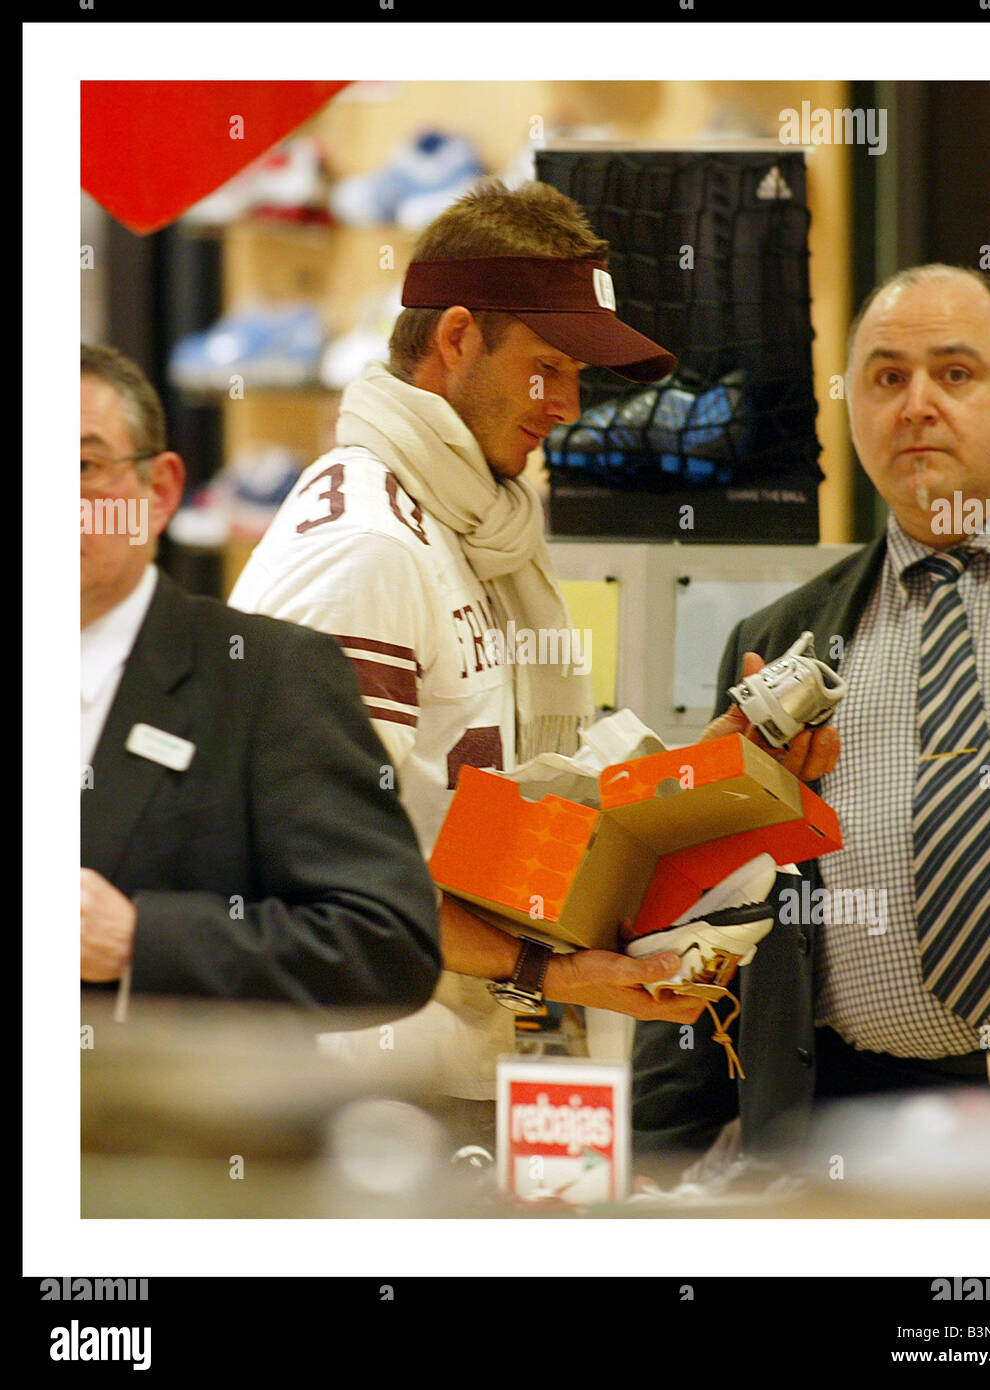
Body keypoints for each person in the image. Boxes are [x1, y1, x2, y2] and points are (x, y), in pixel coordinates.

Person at [230, 178, 719, 1122]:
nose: (570, 406)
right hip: (376, 1090)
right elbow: (307, 868)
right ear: (456, 341)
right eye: (550, 366)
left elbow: (499, 806)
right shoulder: (367, 543)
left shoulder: (468, 523)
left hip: (472, 1065)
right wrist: (553, 969)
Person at [633, 264, 990, 1160]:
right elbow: (711, 905)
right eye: (885, 377)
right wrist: (656, 1153)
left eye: (956, 374)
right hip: (845, 1117)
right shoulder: (783, 640)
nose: (916, 404)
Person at [80, 344, 441, 1015]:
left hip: (158, 1115)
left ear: (158, 492)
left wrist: (142, 940)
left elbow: (389, 944)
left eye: (83, 467)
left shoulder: (265, 677)